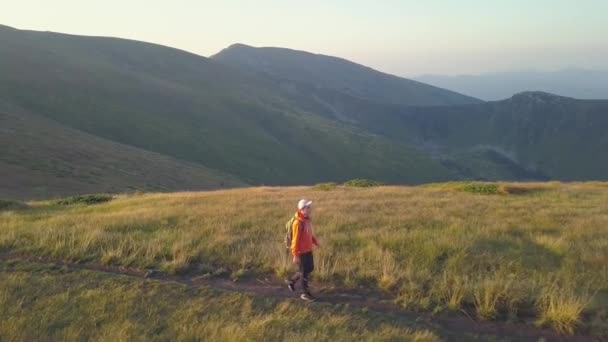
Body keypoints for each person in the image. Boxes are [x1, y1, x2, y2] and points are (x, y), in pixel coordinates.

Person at [287, 199, 319, 301]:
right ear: (302, 209)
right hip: (301, 252)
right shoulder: (297, 223)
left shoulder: (307, 219)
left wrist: (315, 242)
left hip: (308, 250)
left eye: (309, 207)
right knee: (304, 272)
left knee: (310, 268)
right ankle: (305, 294)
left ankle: (291, 281)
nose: (310, 209)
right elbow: (294, 241)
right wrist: (295, 255)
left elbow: (309, 234)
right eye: (307, 207)